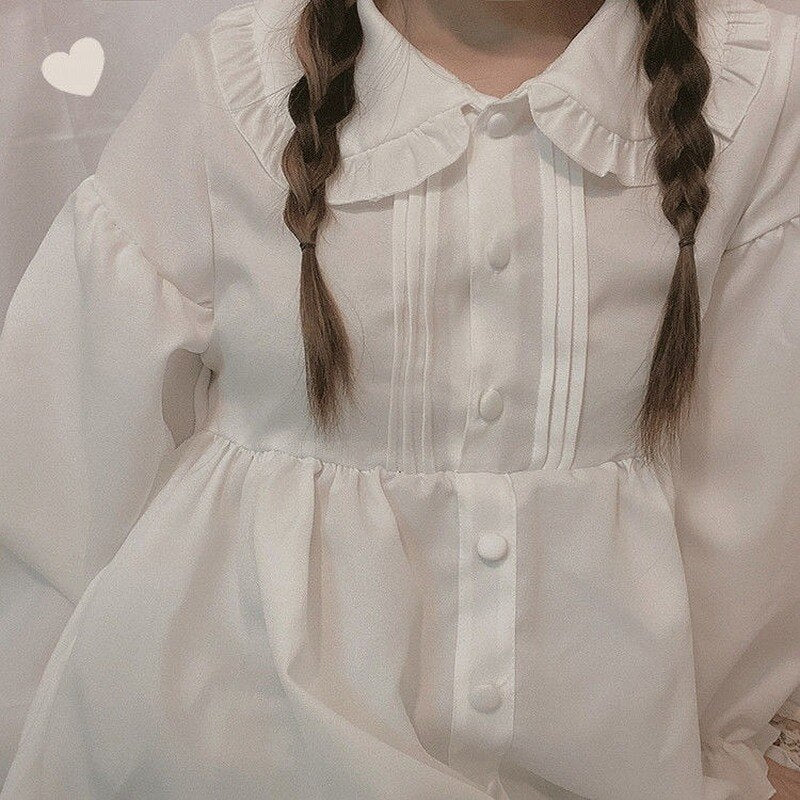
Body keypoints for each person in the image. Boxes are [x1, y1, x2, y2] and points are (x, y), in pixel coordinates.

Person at [0, 0, 798, 796]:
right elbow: (59, 474)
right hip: (235, 734)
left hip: (610, 752)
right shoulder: (232, 86)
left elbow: (755, 484)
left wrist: (726, 749)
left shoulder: (751, 87)